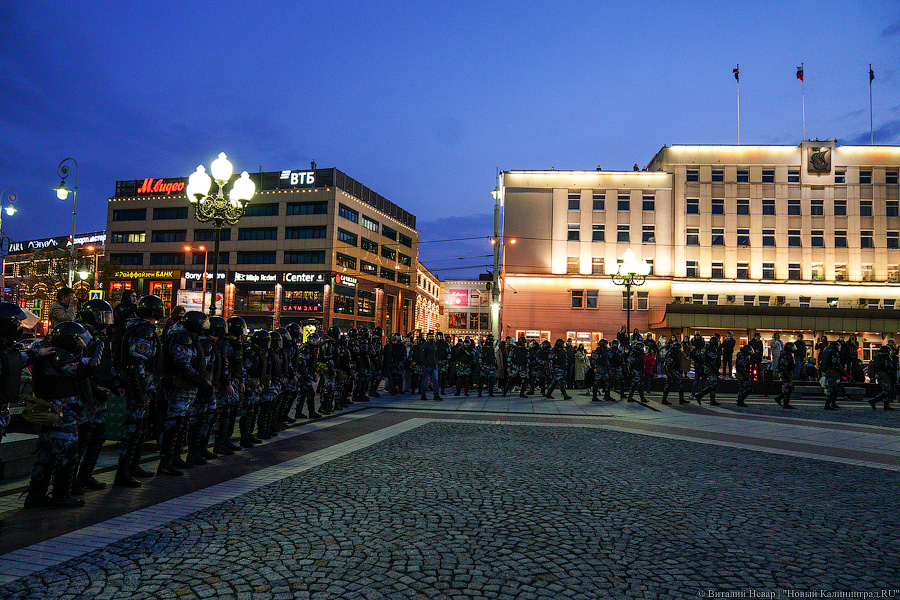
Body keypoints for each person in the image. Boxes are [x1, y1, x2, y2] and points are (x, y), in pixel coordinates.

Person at [25, 321, 92, 508]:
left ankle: (36, 494)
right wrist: (99, 351)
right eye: (78, 341)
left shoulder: (47, 352)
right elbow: (83, 368)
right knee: (67, 452)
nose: (80, 344)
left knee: (47, 453)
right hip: (61, 413)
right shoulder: (60, 357)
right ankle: (61, 495)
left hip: (51, 412)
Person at [113, 295, 164, 487]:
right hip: (138, 388)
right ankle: (123, 471)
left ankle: (133, 465)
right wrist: (141, 390)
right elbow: (137, 365)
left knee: (141, 429)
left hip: (144, 386)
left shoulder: (143, 329)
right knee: (133, 430)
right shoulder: (142, 331)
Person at [72, 299, 116, 495]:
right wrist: (93, 387)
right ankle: (70, 479)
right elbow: (78, 367)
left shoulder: (101, 336)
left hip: (100, 394)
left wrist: (115, 384)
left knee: (98, 435)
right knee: (81, 438)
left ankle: (85, 475)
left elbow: (106, 364)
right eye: (102, 316)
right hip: (84, 394)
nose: (105, 321)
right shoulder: (80, 334)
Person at [819, 340, 846, 410]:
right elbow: (836, 363)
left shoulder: (825, 352)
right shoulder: (833, 353)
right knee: (832, 389)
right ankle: (828, 404)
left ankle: (832, 403)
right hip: (833, 372)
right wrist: (845, 374)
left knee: (835, 388)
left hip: (827, 371)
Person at [868, 345, 896, 411]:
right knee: (887, 391)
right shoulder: (886, 358)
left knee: (885, 390)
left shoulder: (877, 357)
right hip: (885, 375)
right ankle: (874, 401)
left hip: (879, 374)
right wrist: (893, 375)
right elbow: (888, 367)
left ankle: (886, 405)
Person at [773, 342, 796, 409]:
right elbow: (784, 366)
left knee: (789, 388)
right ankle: (785, 403)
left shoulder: (786, 354)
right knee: (788, 387)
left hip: (786, 373)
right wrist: (788, 374)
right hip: (785, 373)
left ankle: (779, 398)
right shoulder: (786, 355)